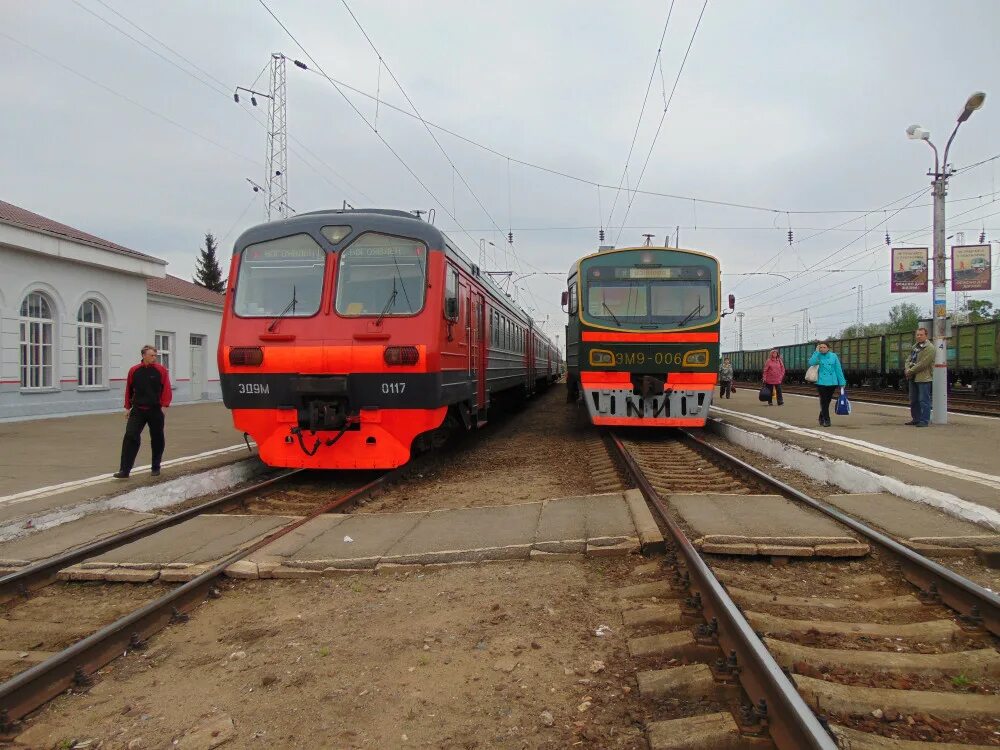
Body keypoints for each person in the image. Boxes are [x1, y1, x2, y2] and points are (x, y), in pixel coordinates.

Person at [114, 345, 172, 479]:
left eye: (155, 355)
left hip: (155, 410)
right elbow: (129, 389)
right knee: (130, 436)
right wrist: (127, 408)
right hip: (138, 410)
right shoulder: (134, 371)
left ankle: (156, 467)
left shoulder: (161, 371)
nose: (154, 358)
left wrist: (164, 406)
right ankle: (124, 470)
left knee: (157, 438)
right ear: (144, 356)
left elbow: (166, 389)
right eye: (151, 355)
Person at [807, 341, 846, 427]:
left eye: (824, 347)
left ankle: (821, 416)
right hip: (821, 382)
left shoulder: (833, 356)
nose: (822, 349)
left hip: (832, 382)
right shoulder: (817, 355)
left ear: (828, 348)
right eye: (820, 347)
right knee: (823, 401)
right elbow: (811, 362)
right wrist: (816, 352)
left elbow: (838, 369)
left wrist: (842, 382)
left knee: (827, 401)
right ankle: (827, 420)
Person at [904, 327, 934, 427]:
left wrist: (910, 371)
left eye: (921, 335)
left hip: (923, 378)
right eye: (917, 335)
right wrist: (907, 368)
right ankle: (915, 419)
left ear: (926, 335)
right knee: (914, 400)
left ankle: (924, 420)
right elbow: (908, 359)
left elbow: (923, 364)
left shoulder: (930, 348)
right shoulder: (914, 347)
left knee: (924, 400)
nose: (919, 336)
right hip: (913, 377)